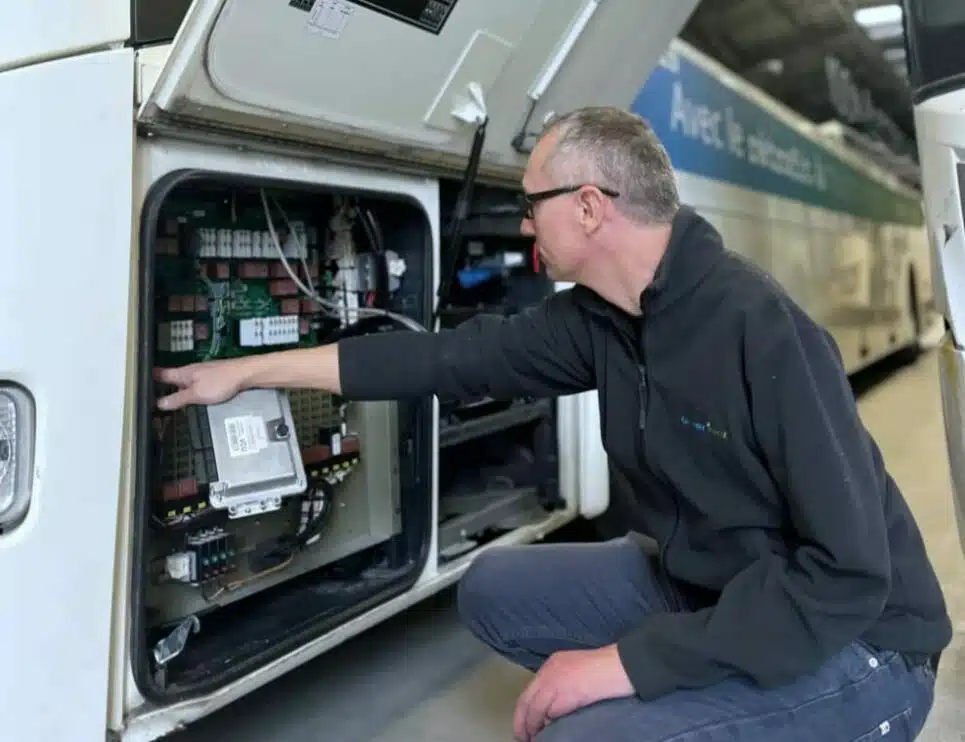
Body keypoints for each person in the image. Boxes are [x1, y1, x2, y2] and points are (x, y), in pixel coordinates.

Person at [155, 106, 951, 741]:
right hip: (716, 592)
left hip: (860, 643)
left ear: (589, 207)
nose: (524, 224)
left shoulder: (760, 330)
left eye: (530, 203)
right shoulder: (600, 320)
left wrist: (625, 666)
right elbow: (444, 361)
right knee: (495, 590)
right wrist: (244, 372)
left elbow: (845, 577)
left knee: (589, 733)